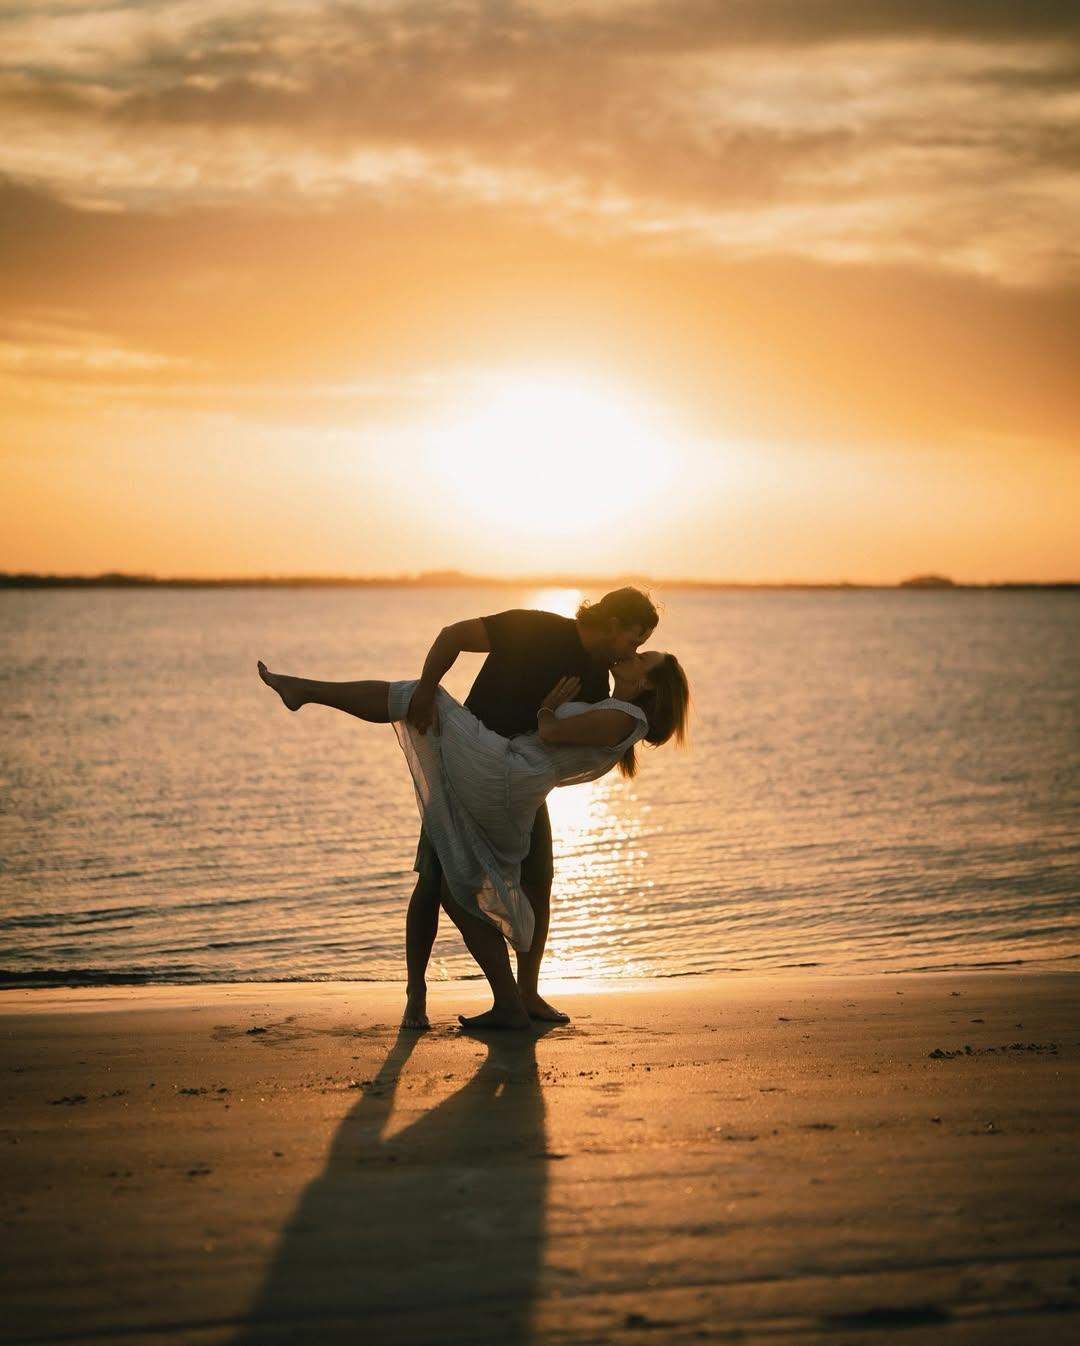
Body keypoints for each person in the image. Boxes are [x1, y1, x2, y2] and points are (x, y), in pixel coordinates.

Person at [257, 652, 689, 1034]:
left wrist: (549, 707)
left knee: (423, 697)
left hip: (505, 774)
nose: (630, 656)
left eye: (640, 659)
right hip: (512, 776)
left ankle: (306, 691)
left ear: (648, 683)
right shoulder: (617, 710)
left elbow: (551, 733)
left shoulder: (624, 716)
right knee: (451, 886)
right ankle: (507, 1001)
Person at [402, 588, 659, 1029]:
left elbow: (584, 737)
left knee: (539, 881)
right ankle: (416, 995)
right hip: (465, 766)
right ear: (615, 623)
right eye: (634, 640)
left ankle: (527, 993)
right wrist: (426, 691)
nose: (633, 650)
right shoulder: (533, 627)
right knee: (433, 881)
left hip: (521, 787)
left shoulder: (598, 678)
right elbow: (451, 636)